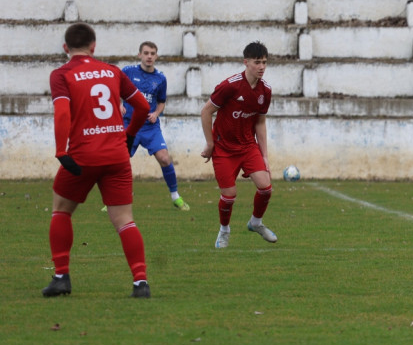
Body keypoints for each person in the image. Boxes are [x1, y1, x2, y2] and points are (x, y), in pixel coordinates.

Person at [43, 23, 152, 298]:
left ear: (66, 48)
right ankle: (140, 282)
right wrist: (128, 135)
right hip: (116, 156)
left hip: (82, 156)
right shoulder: (113, 71)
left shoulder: (62, 74)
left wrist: (60, 151)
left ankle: (61, 277)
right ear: (94, 46)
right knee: (125, 220)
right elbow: (142, 107)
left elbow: (62, 113)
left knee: (61, 210)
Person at [200, 41, 277, 249]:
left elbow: (260, 122)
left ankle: (256, 223)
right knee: (229, 195)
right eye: (257, 62)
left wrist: (265, 155)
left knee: (266, 187)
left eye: (264, 62)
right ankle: (224, 231)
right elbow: (206, 111)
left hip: (247, 146)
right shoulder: (230, 86)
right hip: (224, 148)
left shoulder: (265, 91)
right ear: (246, 62)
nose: (261, 67)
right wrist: (209, 143)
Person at [122, 41, 190, 211]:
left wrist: (156, 113)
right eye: (146, 53)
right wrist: (118, 105)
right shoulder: (128, 72)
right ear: (140, 55)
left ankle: (176, 197)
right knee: (119, 162)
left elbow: (161, 102)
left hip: (149, 127)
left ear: (156, 56)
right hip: (129, 125)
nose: (149, 56)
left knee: (165, 158)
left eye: (152, 53)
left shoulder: (160, 79)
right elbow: (114, 90)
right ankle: (116, 200)